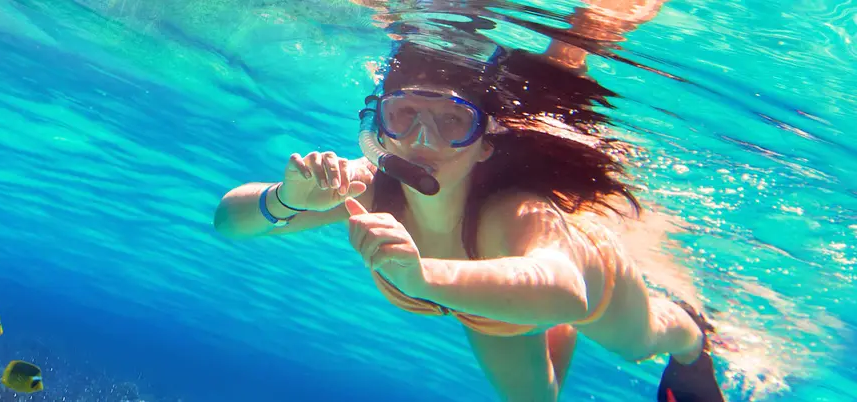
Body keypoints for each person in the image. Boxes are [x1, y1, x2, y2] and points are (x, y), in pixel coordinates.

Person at [214, 37, 723, 402]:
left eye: (452, 122)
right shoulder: (367, 185)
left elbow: (568, 290)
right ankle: (547, 323)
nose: (423, 140)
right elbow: (228, 222)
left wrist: (422, 277)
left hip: (590, 281)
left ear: (484, 143)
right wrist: (287, 198)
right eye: (404, 115)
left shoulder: (511, 209)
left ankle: (694, 341)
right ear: (379, 129)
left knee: (642, 342)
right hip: (492, 308)